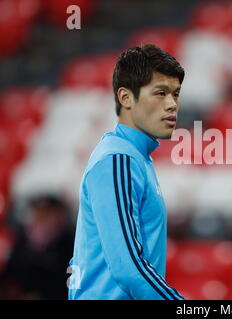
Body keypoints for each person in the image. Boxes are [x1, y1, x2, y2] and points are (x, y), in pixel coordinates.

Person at [68, 44, 185, 300]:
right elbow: (129, 268)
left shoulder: (132, 157)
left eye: (176, 94)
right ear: (125, 98)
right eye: (161, 93)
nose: (172, 105)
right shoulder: (118, 159)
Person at [0, 195, 74, 299]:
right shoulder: (22, 239)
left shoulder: (68, 242)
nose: (43, 218)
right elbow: (10, 275)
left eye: (48, 213)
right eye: (40, 213)